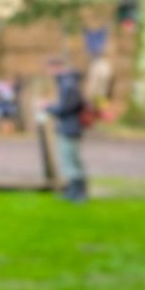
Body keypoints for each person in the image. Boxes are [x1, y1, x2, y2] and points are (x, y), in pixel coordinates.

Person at [41, 57, 90, 202]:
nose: (48, 73)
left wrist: (48, 107)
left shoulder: (68, 83)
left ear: (55, 67)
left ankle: (78, 193)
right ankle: (72, 191)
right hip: (68, 125)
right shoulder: (67, 82)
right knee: (69, 159)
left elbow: (66, 107)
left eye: (49, 69)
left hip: (70, 126)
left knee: (70, 159)